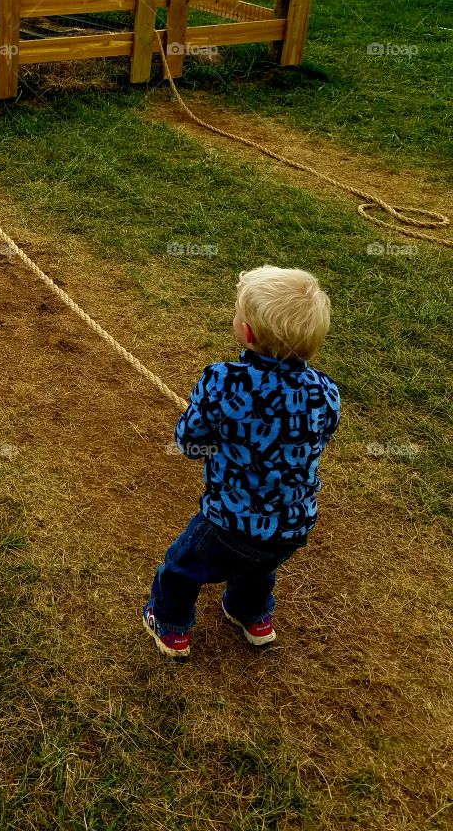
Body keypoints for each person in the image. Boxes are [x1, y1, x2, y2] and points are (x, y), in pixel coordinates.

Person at [143, 266, 340, 658]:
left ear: (246, 332)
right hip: (293, 523)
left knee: (182, 568)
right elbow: (320, 435)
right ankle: (252, 615)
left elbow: (190, 441)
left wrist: (214, 438)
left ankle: (170, 626)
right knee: (259, 566)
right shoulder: (325, 391)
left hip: (228, 520)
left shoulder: (223, 381)